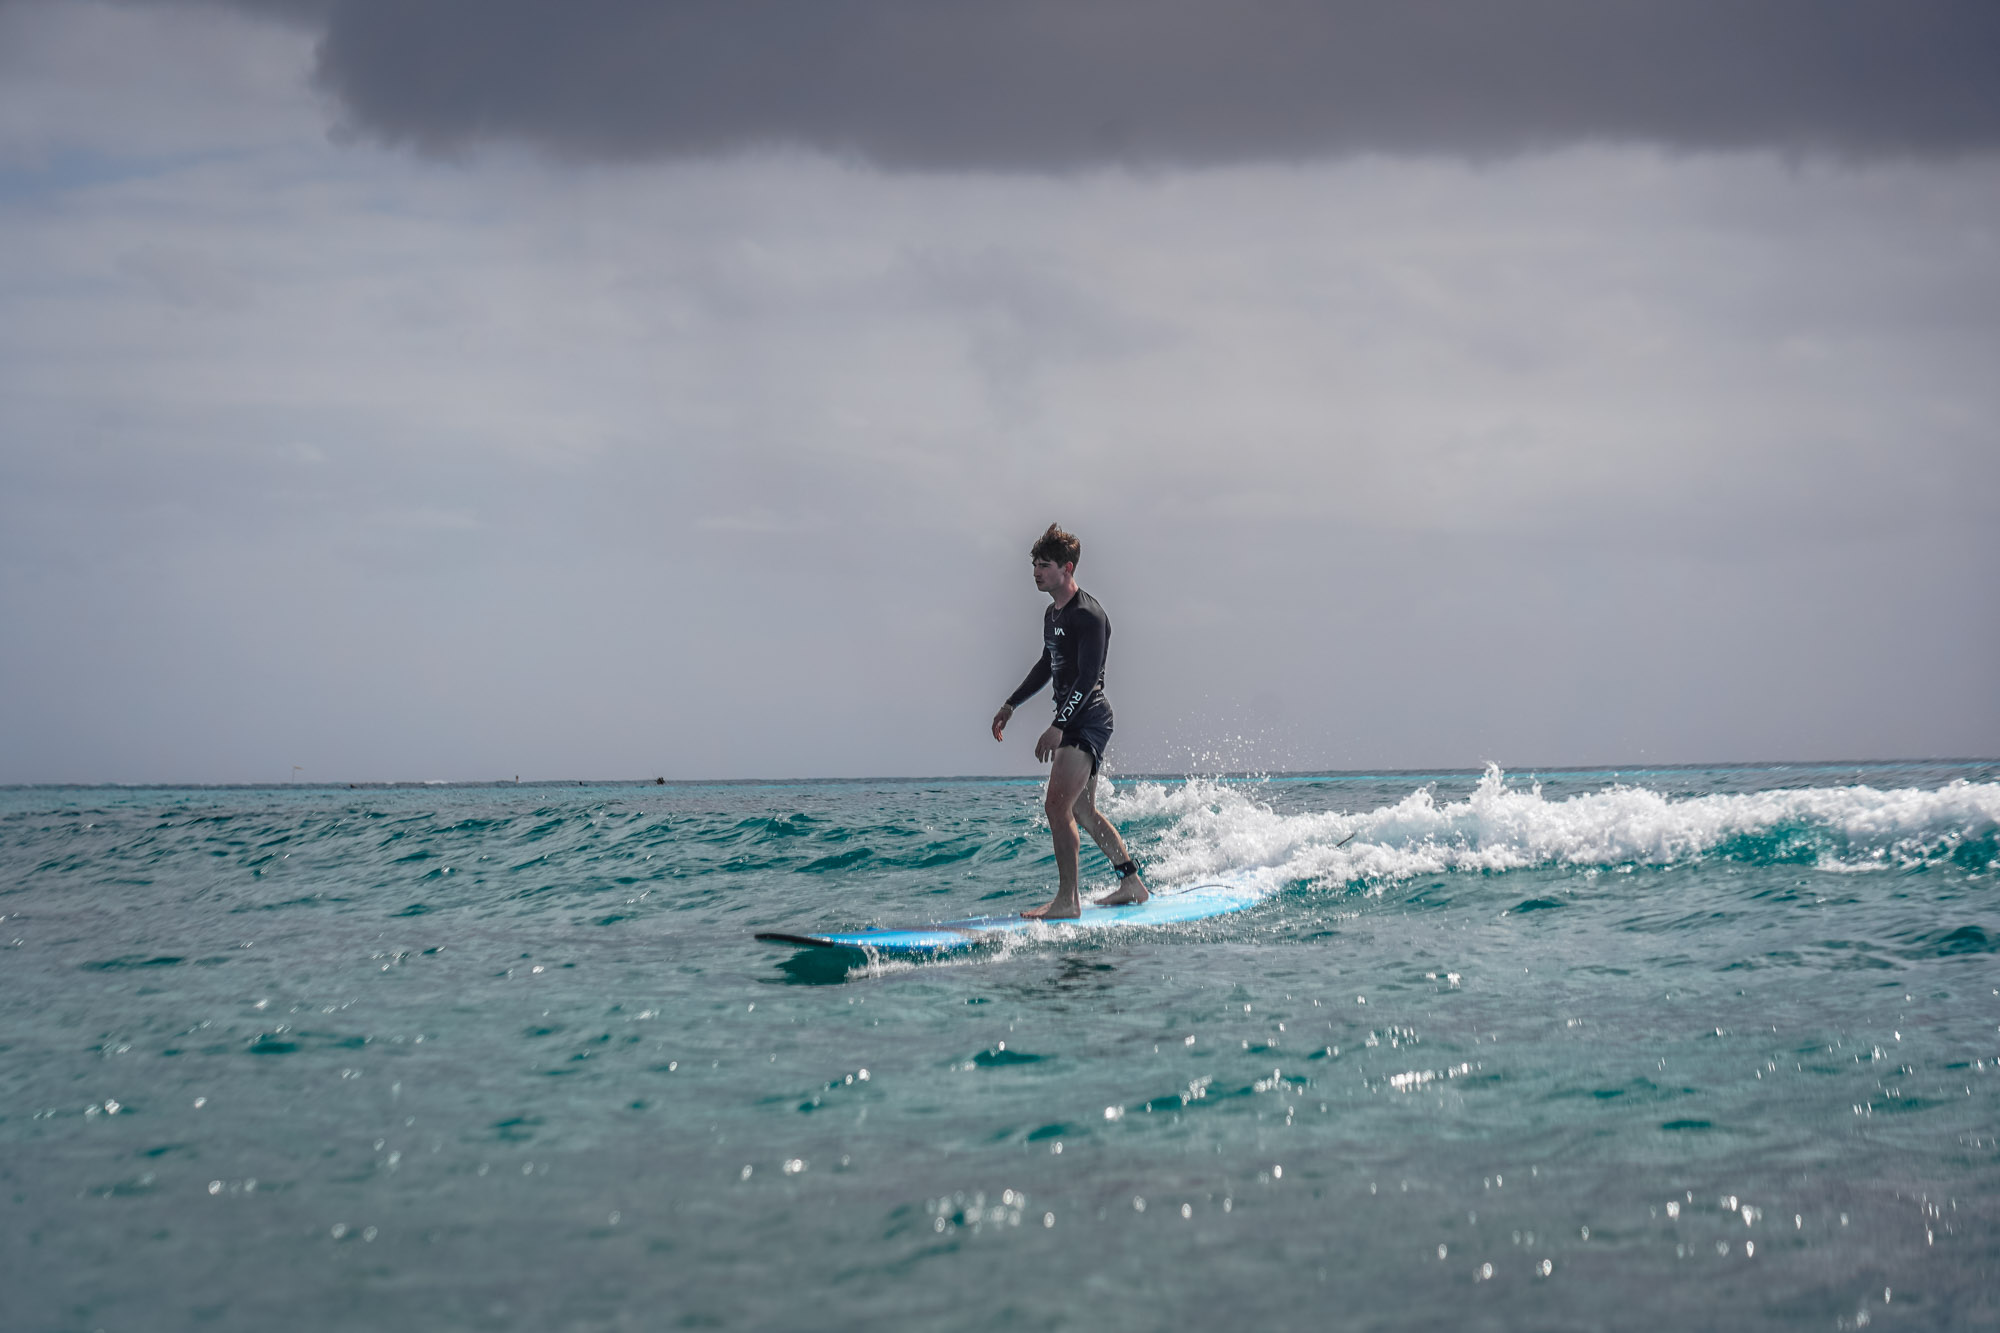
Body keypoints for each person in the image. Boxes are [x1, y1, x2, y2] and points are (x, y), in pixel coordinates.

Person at [991, 523, 1148, 919]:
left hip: (1087, 720)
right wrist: (1012, 704)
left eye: (1044, 565)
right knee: (1080, 811)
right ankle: (1131, 883)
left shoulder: (1089, 616)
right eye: (1034, 565)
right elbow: (1048, 663)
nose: (1036, 572)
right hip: (1074, 719)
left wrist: (1059, 724)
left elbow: (1088, 676)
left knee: (1056, 807)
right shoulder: (1052, 614)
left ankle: (1067, 901)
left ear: (1068, 567)